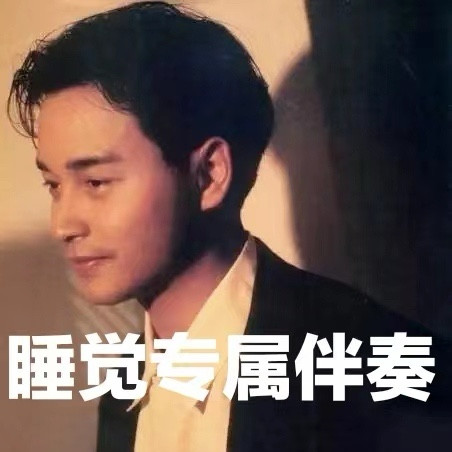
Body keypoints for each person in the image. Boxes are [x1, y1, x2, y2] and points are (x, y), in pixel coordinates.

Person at [7, 2, 452, 451]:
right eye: (53, 185)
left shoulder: (381, 369)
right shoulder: (124, 384)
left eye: (96, 182)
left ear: (210, 173)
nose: (63, 224)